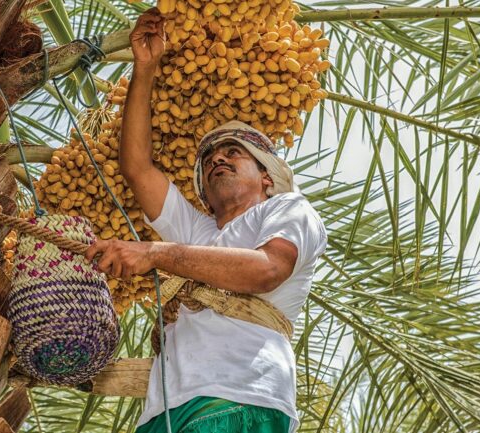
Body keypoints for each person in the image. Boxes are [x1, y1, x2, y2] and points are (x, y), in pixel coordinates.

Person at [84, 9, 327, 433]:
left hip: (241, 398)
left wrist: (155, 252)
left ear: (267, 177)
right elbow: (138, 168)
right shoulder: (201, 233)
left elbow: (268, 270)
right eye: (209, 160)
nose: (218, 158)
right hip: (166, 412)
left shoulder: (287, 209)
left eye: (233, 153)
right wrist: (145, 67)